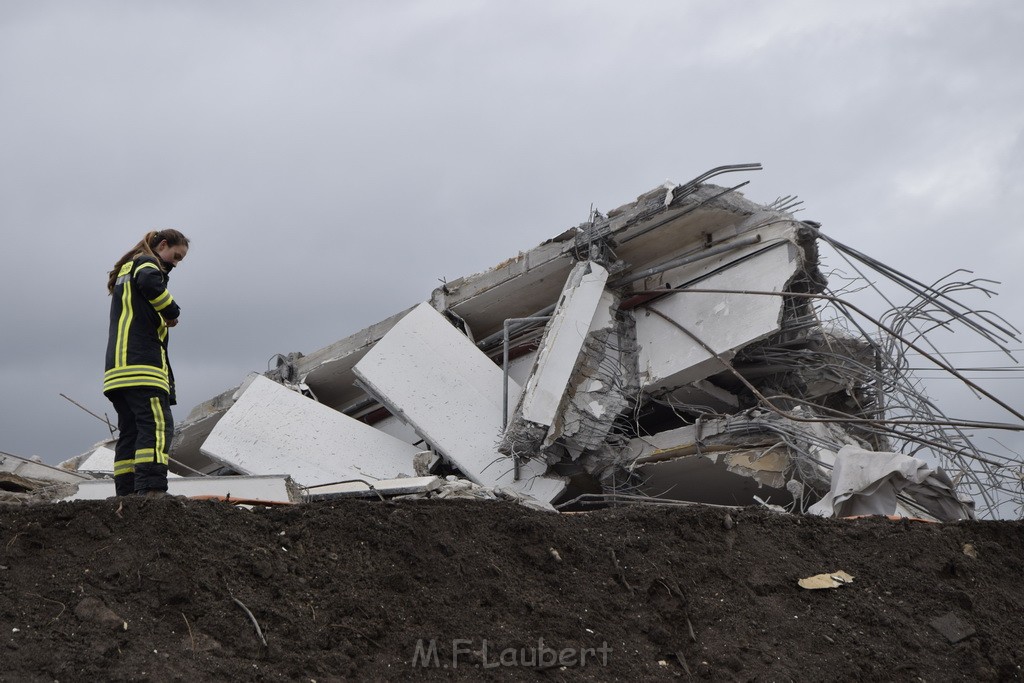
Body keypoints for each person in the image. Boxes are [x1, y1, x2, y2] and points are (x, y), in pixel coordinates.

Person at [104, 229, 190, 497]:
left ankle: (127, 494)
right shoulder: (145, 263)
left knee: (130, 433)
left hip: (118, 372)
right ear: (162, 245)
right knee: (157, 426)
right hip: (142, 368)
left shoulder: (128, 271)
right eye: (175, 256)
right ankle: (151, 490)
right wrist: (171, 311)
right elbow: (151, 283)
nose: (175, 263)